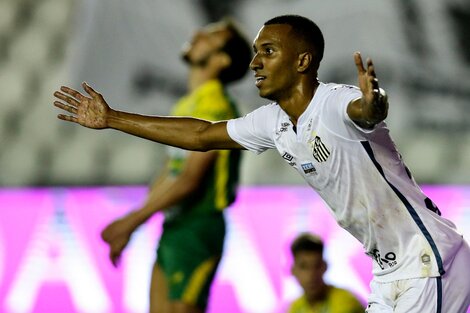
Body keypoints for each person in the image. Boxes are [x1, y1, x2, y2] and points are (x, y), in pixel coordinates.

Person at [53, 14, 470, 313]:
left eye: (267, 52)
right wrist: (112, 119)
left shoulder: (334, 102)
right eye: (255, 53)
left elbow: (365, 111)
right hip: (389, 271)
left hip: (428, 260)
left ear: (302, 61)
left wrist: (374, 102)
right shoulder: (272, 122)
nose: (255, 63)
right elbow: (200, 135)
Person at [97, 18, 251, 313]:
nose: (197, 34)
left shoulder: (216, 107)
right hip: (175, 225)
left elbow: (191, 180)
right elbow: (171, 171)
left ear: (221, 60)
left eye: (211, 36)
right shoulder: (186, 106)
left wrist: (132, 221)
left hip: (199, 226)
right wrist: (136, 222)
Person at [288, 232, 364, 313]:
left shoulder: (346, 303)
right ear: (293, 270)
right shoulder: (295, 307)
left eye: (316, 266)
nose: (311, 274)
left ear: (325, 267)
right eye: (304, 267)